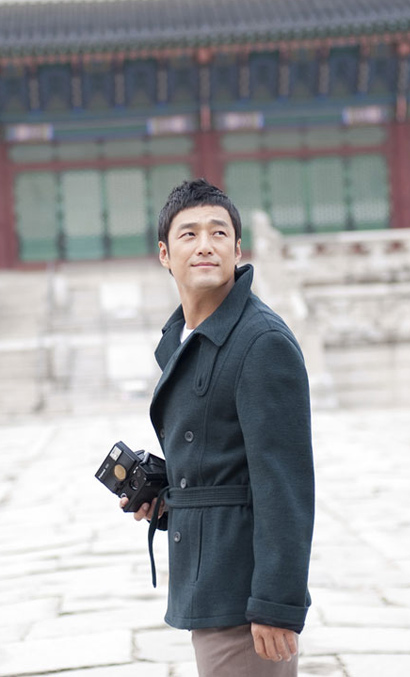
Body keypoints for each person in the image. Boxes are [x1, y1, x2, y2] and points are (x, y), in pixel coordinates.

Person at [120, 178, 314, 676]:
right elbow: (223, 466)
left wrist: (276, 603)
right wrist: (168, 501)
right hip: (207, 584)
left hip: (244, 599)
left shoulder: (261, 342)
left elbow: (285, 485)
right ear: (165, 254)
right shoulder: (185, 336)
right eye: (189, 234)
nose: (205, 245)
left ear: (238, 249)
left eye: (218, 233)